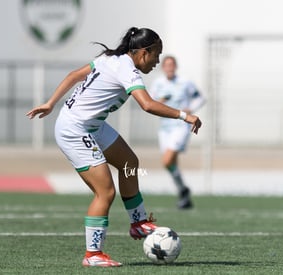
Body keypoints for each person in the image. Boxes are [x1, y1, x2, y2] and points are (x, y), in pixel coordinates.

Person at [26, 27, 202, 267]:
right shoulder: (126, 69)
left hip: (91, 125)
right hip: (74, 129)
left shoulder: (110, 58)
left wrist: (50, 103)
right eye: (156, 55)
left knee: (129, 163)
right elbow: (147, 105)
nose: (157, 61)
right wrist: (185, 115)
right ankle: (92, 255)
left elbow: (73, 75)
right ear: (142, 53)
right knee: (105, 191)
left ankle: (138, 223)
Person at [151, 55, 206, 209]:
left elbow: (200, 97)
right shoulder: (158, 84)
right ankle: (183, 191)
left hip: (180, 126)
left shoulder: (185, 82)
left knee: (167, 160)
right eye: (167, 65)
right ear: (163, 68)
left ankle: (183, 190)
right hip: (164, 128)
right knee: (170, 163)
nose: (169, 68)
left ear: (175, 67)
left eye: (172, 65)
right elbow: (152, 103)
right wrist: (161, 101)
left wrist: (191, 109)